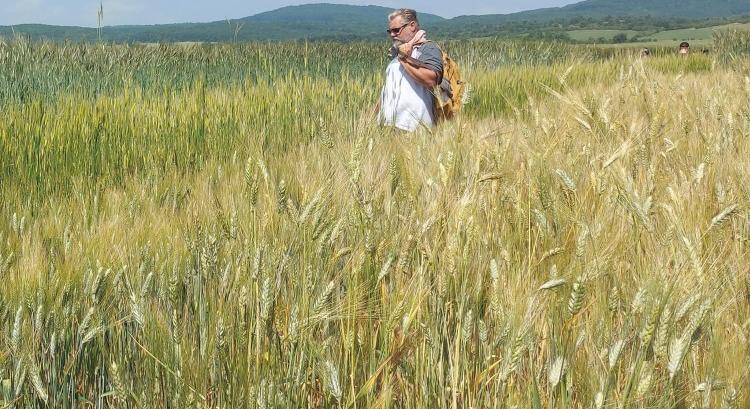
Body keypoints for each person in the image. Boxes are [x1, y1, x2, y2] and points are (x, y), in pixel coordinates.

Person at [377, 9, 443, 132]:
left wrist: (404, 58)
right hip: (388, 126)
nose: (392, 34)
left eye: (396, 30)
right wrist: (372, 115)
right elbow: (388, 90)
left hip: (414, 128)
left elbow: (431, 79)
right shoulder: (396, 52)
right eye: (389, 31)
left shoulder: (427, 48)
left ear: (412, 26)